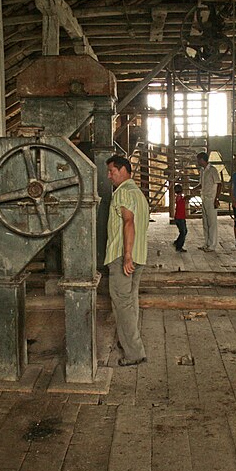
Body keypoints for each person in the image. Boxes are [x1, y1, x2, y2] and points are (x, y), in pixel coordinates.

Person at [105, 155, 150, 367]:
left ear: (123, 170)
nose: (108, 176)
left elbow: (129, 223)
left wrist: (127, 255)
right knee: (131, 302)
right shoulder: (139, 194)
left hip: (123, 257)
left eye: (111, 171)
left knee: (122, 304)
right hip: (139, 256)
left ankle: (133, 352)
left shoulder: (122, 192)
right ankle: (133, 345)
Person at [194, 151, 221, 252]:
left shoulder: (212, 170)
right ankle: (207, 243)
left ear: (202, 160)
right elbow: (202, 184)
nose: (197, 162)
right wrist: (195, 189)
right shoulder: (202, 170)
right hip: (204, 198)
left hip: (211, 199)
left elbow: (219, 184)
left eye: (198, 160)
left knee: (212, 223)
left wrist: (216, 199)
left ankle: (212, 245)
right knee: (205, 222)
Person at [173, 183, 188, 252]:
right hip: (180, 218)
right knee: (183, 232)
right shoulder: (179, 197)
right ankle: (179, 246)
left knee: (183, 232)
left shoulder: (179, 197)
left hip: (179, 217)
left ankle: (177, 242)